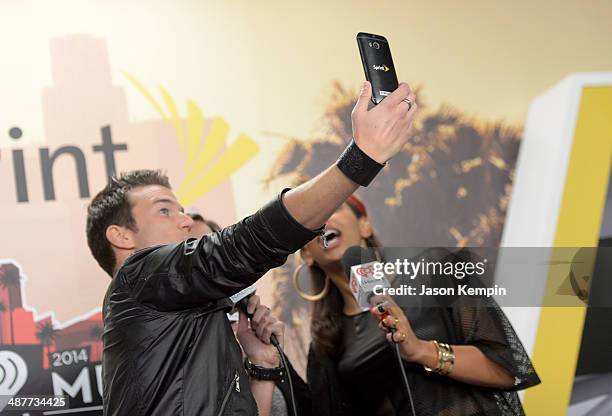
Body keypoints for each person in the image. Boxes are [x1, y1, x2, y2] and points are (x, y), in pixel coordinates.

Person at [85, 81, 418, 415]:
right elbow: (245, 244)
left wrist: (261, 365)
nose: (185, 221)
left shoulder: (191, 315)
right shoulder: (136, 275)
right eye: (165, 210)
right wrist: (360, 159)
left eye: (181, 210)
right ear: (122, 236)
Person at [289, 194, 540, 415]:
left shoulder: (437, 271)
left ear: (364, 224)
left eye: (333, 207)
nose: (323, 222)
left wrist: (421, 351)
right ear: (307, 254)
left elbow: (507, 369)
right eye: (311, 220)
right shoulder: (325, 346)